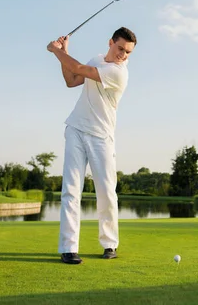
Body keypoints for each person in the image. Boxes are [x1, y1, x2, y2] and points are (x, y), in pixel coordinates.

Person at [46, 26, 137, 265]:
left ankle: (109, 244)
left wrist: (56, 51)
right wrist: (64, 51)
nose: (123, 55)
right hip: (76, 129)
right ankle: (68, 248)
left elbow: (76, 68)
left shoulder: (119, 73)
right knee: (70, 190)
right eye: (120, 49)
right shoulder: (97, 60)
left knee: (106, 193)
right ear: (110, 42)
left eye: (128, 52)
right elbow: (71, 79)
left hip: (101, 136)